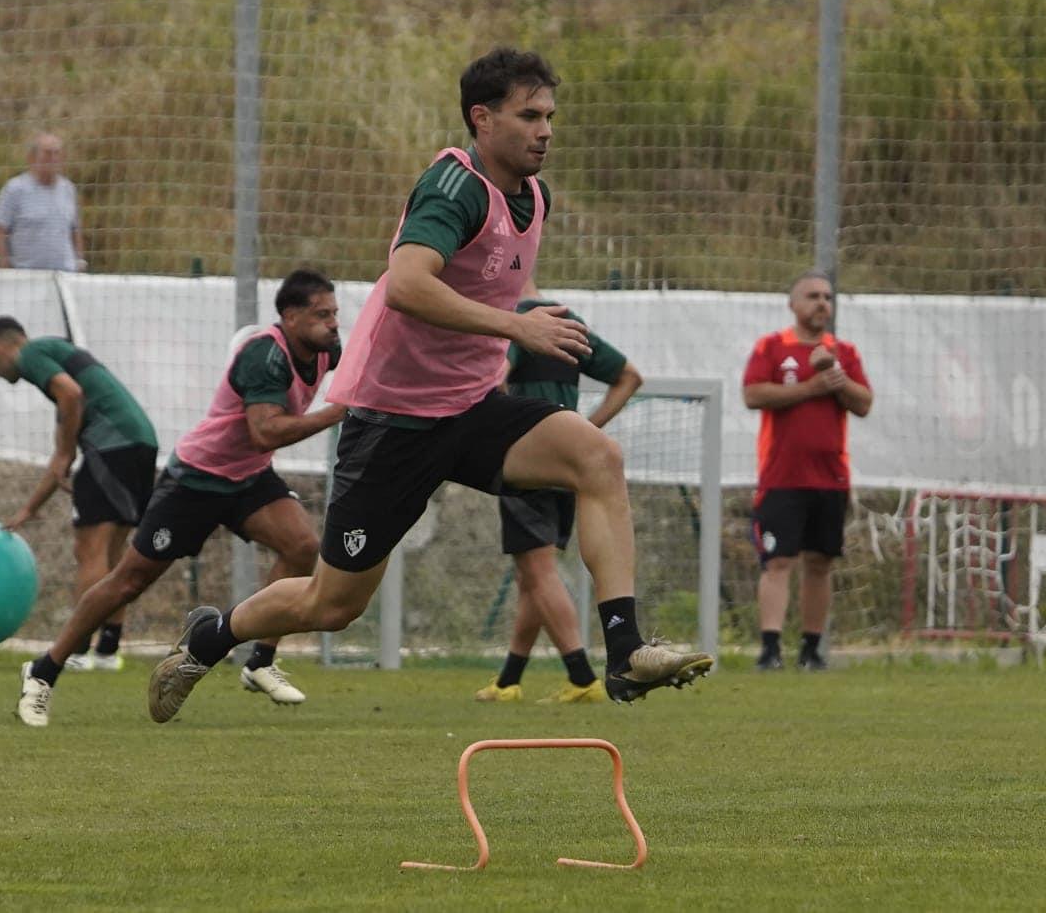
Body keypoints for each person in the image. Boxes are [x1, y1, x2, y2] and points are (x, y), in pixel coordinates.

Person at [148, 46, 713, 723]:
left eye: (551, 116)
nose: (546, 130)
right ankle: (209, 637)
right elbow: (410, 284)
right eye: (529, 115)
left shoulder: (535, 198)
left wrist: (510, 334)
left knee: (598, 457)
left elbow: (486, 280)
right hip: (393, 424)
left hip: (472, 410)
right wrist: (519, 327)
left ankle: (623, 653)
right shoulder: (454, 186)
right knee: (330, 604)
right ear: (482, 118)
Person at [11, 269, 347, 727]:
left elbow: (364, 378)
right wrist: (338, 413)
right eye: (321, 314)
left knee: (303, 548)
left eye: (335, 314)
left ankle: (259, 661)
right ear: (290, 317)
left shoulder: (329, 349)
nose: (332, 323)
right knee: (127, 582)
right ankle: (43, 671)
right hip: (197, 479)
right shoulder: (264, 354)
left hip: (248, 476)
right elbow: (264, 430)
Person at [475, 281, 643, 704]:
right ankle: (509, 679)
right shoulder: (569, 322)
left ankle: (583, 676)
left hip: (527, 463)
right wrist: (585, 434)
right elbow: (629, 377)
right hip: (567, 469)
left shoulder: (516, 325)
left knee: (537, 572)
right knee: (534, 575)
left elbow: (495, 380)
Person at [0, 316, 159, 677]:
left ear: (1, 347)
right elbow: (61, 456)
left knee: (89, 551)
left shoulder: (31, 354)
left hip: (111, 446)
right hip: (140, 442)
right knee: (113, 557)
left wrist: (65, 452)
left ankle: (76, 649)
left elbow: (70, 395)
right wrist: (29, 510)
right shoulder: (57, 355)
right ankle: (107, 650)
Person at [742, 270, 873, 671]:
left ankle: (812, 650)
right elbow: (753, 394)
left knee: (821, 562)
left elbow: (864, 402)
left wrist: (838, 381)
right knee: (778, 562)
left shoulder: (842, 353)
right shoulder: (772, 347)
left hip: (830, 477)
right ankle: (770, 649)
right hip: (782, 476)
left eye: (828, 298)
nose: (822, 304)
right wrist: (810, 388)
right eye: (813, 296)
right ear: (793, 304)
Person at [0, 132, 87, 273]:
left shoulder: (68, 189)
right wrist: (6, 270)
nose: (53, 158)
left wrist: (80, 262)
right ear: (32, 158)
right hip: (26, 277)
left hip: (64, 276)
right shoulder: (15, 189)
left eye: (57, 153)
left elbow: (74, 230)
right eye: (47, 153)